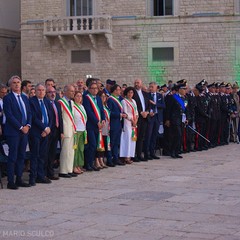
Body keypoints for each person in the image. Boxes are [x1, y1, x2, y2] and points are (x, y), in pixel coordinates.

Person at [3, 75, 32, 189]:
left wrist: (28, 125)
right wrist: (21, 127)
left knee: (22, 155)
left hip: (25, 131)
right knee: (13, 156)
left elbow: (29, 113)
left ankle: (19, 178)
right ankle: (11, 181)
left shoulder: (24, 98)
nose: (16, 84)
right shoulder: (8, 98)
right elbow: (9, 115)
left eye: (18, 82)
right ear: (10, 85)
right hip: (14, 132)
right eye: (14, 82)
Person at [29, 83, 53, 185]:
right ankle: (33, 177)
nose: (41, 92)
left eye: (43, 90)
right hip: (36, 132)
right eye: (39, 90)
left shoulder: (47, 102)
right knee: (35, 155)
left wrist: (48, 128)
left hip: (45, 133)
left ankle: (41, 175)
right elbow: (34, 118)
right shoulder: (31, 102)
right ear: (35, 91)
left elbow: (51, 116)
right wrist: (44, 128)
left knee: (43, 155)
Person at [83, 82, 106, 171]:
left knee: (95, 145)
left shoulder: (98, 99)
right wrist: (97, 122)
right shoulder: (86, 98)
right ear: (89, 89)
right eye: (92, 88)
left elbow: (101, 109)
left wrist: (103, 119)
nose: (95, 90)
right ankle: (88, 164)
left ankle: (92, 163)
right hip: (91, 125)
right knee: (91, 145)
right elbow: (89, 112)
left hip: (98, 126)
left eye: (96, 88)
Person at [58, 84, 78, 178]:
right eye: (71, 91)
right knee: (65, 151)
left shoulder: (72, 102)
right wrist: (61, 131)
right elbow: (60, 118)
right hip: (65, 130)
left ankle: (69, 169)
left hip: (72, 129)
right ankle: (63, 170)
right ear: (65, 92)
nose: (73, 93)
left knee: (71, 151)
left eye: (74, 91)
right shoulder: (61, 102)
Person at [165, 82, 188, 158]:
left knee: (180, 136)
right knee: (176, 135)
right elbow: (168, 109)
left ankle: (177, 151)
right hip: (174, 119)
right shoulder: (173, 97)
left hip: (181, 119)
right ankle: (172, 151)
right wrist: (167, 119)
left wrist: (187, 118)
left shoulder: (184, 98)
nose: (185, 90)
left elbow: (185, 110)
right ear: (179, 90)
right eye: (183, 89)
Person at [46, 86, 63, 180]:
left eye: (54, 92)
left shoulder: (57, 103)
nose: (52, 94)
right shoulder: (46, 103)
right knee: (46, 153)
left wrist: (61, 131)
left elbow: (60, 118)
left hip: (56, 131)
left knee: (52, 153)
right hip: (48, 131)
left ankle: (51, 172)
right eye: (50, 92)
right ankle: (46, 172)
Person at [107, 84, 127, 166]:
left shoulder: (119, 99)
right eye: (119, 90)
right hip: (113, 123)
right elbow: (109, 112)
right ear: (114, 90)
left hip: (118, 123)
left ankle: (116, 158)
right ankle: (109, 159)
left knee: (116, 142)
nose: (120, 91)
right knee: (111, 142)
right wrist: (119, 114)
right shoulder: (110, 99)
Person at [144, 82, 165, 160]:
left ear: (156, 88)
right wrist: (149, 111)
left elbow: (163, 105)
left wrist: (156, 104)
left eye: (152, 87)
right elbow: (145, 106)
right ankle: (146, 153)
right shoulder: (147, 95)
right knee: (148, 136)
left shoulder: (159, 95)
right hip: (150, 117)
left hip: (157, 117)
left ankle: (152, 153)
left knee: (154, 136)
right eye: (150, 87)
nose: (150, 88)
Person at [120, 87, 139, 164]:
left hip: (134, 122)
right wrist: (132, 120)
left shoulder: (134, 101)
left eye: (131, 93)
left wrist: (136, 121)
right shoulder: (124, 101)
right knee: (127, 139)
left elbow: (136, 112)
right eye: (129, 92)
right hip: (127, 121)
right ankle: (126, 156)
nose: (130, 94)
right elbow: (125, 112)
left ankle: (131, 155)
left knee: (132, 139)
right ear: (126, 93)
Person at [132, 79, 149, 161]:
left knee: (141, 137)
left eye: (138, 83)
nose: (136, 84)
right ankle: (134, 154)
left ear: (141, 84)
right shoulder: (132, 94)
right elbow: (133, 106)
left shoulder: (145, 94)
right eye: (135, 83)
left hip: (145, 118)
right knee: (136, 137)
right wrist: (140, 112)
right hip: (137, 118)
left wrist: (147, 112)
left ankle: (139, 154)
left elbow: (148, 105)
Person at [73, 91, 87, 174]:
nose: (79, 98)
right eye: (77, 96)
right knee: (76, 149)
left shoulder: (82, 106)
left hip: (83, 129)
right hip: (76, 130)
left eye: (80, 96)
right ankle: (74, 165)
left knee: (81, 149)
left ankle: (79, 165)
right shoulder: (73, 106)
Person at [95, 91, 109, 169]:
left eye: (105, 96)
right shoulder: (97, 105)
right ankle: (97, 160)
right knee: (98, 143)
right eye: (102, 96)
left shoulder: (106, 106)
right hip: (99, 126)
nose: (103, 98)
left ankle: (101, 159)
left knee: (103, 143)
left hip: (105, 126)